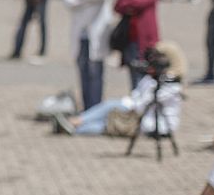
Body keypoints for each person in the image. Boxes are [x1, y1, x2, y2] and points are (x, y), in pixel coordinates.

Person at [53, 41, 185, 137]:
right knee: (109, 114)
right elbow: (138, 94)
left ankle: (74, 125)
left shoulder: (171, 83)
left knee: (109, 122)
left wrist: (127, 103)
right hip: (139, 115)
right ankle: (72, 125)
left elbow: (144, 104)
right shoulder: (154, 77)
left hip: (154, 124)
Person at [63, 0, 114, 110]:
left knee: (96, 72)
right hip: (81, 34)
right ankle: (87, 107)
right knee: (83, 71)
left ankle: (96, 106)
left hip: (98, 33)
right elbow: (69, 1)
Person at [114, 0, 161, 89]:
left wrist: (129, 4)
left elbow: (139, 2)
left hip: (145, 40)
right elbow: (118, 6)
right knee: (133, 73)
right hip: (129, 38)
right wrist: (129, 4)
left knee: (144, 75)